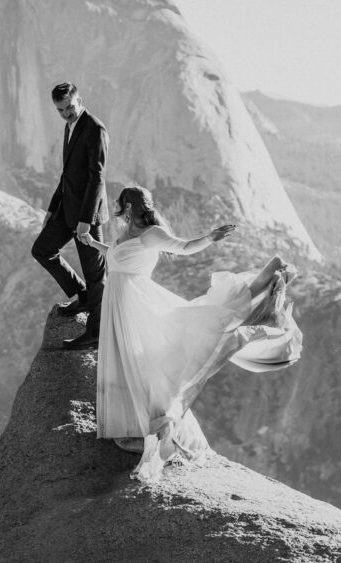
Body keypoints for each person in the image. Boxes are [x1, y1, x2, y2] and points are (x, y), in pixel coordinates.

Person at [77, 185, 302, 482]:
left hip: (136, 301)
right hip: (119, 299)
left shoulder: (151, 234)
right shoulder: (127, 236)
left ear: (127, 209)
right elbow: (116, 257)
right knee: (125, 359)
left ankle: (149, 426)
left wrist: (210, 237)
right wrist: (92, 242)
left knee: (145, 360)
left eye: (121, 207)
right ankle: (130, 424)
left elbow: (182, 247)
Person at [31, 82, 110, 350]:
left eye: (70, 107)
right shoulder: (70, 126)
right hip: (67, 209)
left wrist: (86, 221)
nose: (66, 113)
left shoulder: (94, 128)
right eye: (61, 110)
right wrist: (53, 208)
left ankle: (96, 332)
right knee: (42, 250)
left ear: (79, 100)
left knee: (95, 274)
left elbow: (97, 177)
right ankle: (83, 294)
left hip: (87, 215)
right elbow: (67, 175)